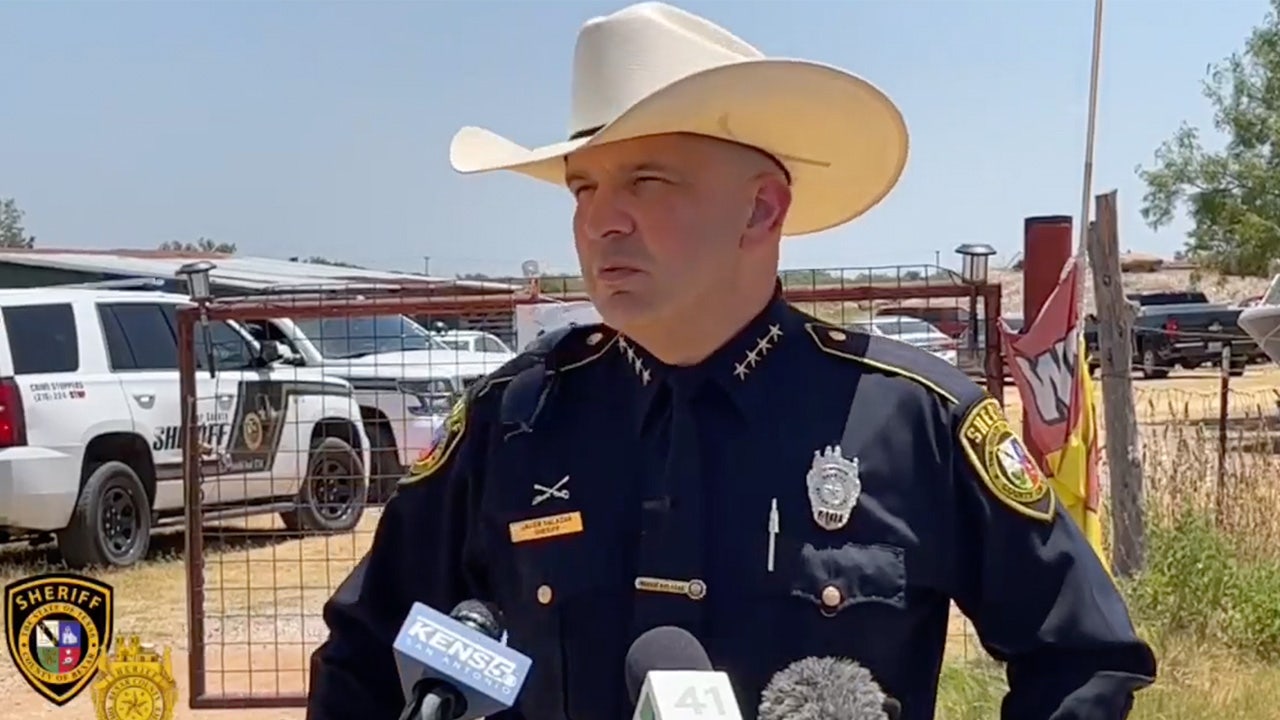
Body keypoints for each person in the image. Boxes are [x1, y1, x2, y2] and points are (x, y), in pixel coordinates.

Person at [306, 3, 1157, 720]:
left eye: (645, 182)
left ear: (762, 207)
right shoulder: (515, 424)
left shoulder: (912, 422)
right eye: (584, 189)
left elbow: (1083, 660)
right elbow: (367, 656)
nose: (601, 222)